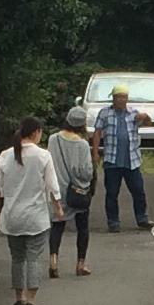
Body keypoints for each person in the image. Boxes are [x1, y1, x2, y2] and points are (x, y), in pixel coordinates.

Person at [0, 119, 64, 305]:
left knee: (17, 258)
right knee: (33, 258)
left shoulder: (6, 155)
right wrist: (58, 208)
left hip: (12, 216)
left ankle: (18, 298)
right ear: (36, 132)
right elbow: (52, 186)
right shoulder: (42, 155)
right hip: (35, 216)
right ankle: (31, 300)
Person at [95, 85, 151, 232]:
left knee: (138, 191)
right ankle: (113, 222)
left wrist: (145, 116)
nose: (121, 100)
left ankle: (142, 219)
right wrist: (95, 152)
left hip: (132, 160)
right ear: (113, 98)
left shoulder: (133, 113)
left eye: (124, 97)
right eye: (118, 97)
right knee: (112, 193)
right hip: (112, 160)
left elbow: (147, 123)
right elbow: (97, 132)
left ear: (127, 98)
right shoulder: (105, 113)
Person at [47, 117, 96, 276]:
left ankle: (53, 260)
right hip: (77, 190)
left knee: (57, 225)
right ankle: (80, 264)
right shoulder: (82, 144)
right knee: (82, 227)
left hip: (57, 189)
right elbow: (86, 172)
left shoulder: (53, 139)